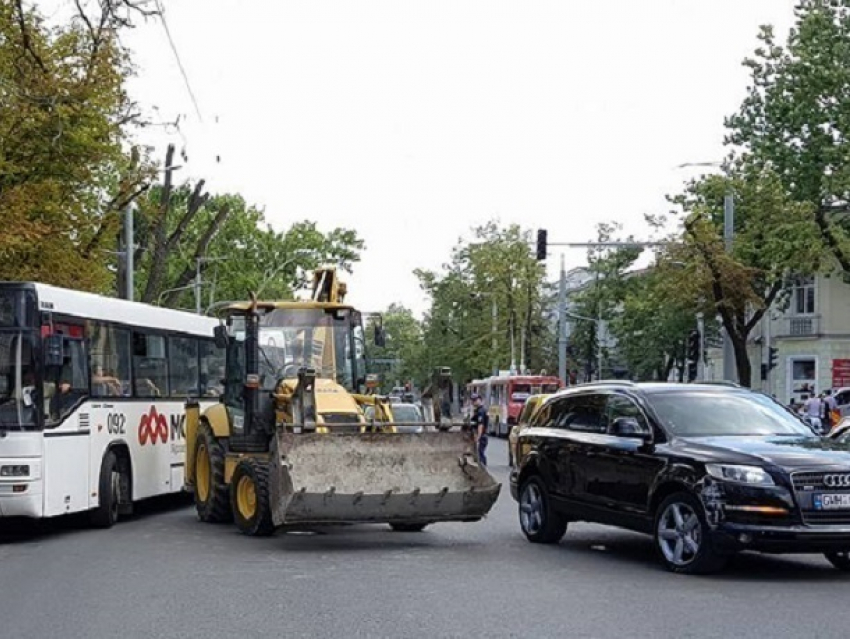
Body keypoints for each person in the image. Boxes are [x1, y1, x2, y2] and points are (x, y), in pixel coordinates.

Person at [469, 393, 489, 466]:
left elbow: (480, 425)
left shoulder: (481, 411)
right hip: (482, 435)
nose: (473, 402)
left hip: (482, 435)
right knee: (479, 452)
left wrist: (478, 437)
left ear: (480, 400)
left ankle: (483, 467)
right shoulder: (479, 410)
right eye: (472, 400)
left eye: (475, 400)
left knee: (480, 453)